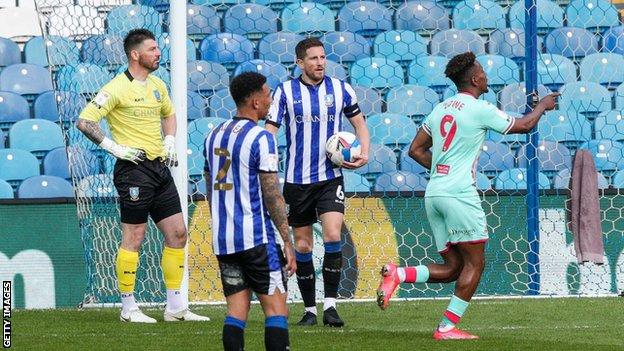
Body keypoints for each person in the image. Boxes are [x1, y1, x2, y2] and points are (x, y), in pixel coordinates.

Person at [376, 51, 559, 340]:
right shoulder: (479, 107)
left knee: (453, 268)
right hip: (459, 194)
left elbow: (415, 150)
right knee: (476, 263)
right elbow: (524, 126)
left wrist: (441, 170)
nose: (486, 75)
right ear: (475, 79)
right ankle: (446, 328)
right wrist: (544, 107)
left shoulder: (440, 109)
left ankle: (398, 275)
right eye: (483, 72)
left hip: (434, 192)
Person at [77, 28, 209, 323]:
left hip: (159, 169)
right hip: (132, 170)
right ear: (135, 54)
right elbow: (85, 122)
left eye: (157, 48)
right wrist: (114, 148)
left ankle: (175, 307)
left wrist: (171, 140)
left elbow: (169, 113)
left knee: (178, 234)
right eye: (152, 49)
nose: (158, 52)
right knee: (134, 237)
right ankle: (128, 308)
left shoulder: (158, 85)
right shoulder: (115, 88)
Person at [265, 38, 370, 327]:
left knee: (333, 235)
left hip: (330, 178)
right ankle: (310, 309)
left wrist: (364, 151)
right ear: (300, 63)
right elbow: (270, 130)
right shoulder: (285, 92)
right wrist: (266, 162)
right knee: (302, 245)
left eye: (323, 57)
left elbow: (360, 123)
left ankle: (331, 306)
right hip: (297, 181)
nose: (320, 62)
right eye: (313, 58)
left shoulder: (340, 89)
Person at [204, 72, 296, 351]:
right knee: (277, 309)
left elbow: (210, 189)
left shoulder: (212, 135)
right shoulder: (262, 138)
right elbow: (272, 194)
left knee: (236, 310)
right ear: (256, 101)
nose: (270, 100)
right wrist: (287, 240)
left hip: (224, 239)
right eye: (267, 94)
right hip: (256, 238)